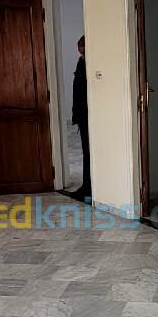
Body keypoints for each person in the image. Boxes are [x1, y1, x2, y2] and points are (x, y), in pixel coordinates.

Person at [72, 36, 91, 198]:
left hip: (89, 114)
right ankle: (86, 187)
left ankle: (88, 188)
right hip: (82, 115)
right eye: (80, 49)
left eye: (83, 49)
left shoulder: (90, 64)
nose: (81, 52)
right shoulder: (81, 62)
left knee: (89, 152)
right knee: (86, 152)